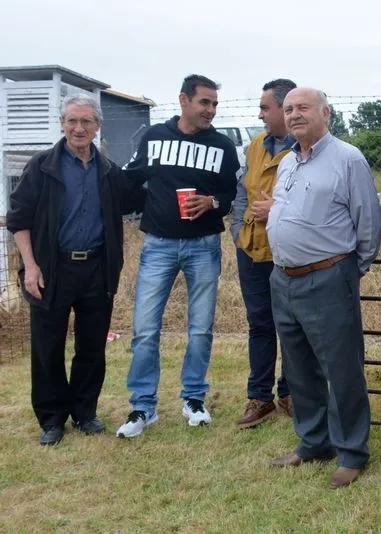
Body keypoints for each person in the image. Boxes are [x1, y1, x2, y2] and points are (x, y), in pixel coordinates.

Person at [7, 95, 144, 445]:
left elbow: (138, 199)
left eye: (86, 122)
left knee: (91, 346)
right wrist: (31, 267)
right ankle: (52, 419)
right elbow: (19, 220)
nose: (79, 128)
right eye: (72, 121)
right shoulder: (42, 167)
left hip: (97, 268)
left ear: (98, 126)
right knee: (47, 345)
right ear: (62, 124)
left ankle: (85, 412)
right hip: (52, 269)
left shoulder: (109, 171)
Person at [266, 87, 381, 490]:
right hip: (283, 279)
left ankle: (351, 451)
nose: (294, 114)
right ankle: (314, 441)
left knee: (342, 368)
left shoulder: (348, 159)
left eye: (303, 108)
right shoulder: (286, 163)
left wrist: (350, 270)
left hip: (329, 276)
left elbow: (369, 223)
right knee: (298, 366)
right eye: (288, 109)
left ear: (325, 113)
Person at [116, 74, 240, 438]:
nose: (211, 110)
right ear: (184, 100)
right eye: (205, 102)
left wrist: (213, 202)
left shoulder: (222, 145)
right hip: (158, 245)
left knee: (200, 329)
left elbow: (232, 194)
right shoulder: (154, 137)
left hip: (204, 246)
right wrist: (145, 206)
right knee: (145, 329)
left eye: (215, 104)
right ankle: (142, 407)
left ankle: (194, 399)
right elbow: (129, 179)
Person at [230, 78, 297, 429]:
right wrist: (239, 233)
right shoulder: (256, 145)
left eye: (264, 107)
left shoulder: (304, 148)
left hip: (286, 252)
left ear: (285, 109)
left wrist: (279, 211)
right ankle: (260, 397)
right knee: (259, 323)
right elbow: (243, 189)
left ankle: (290, 392)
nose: (260, 114)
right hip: (252, 251)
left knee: (290, 325)